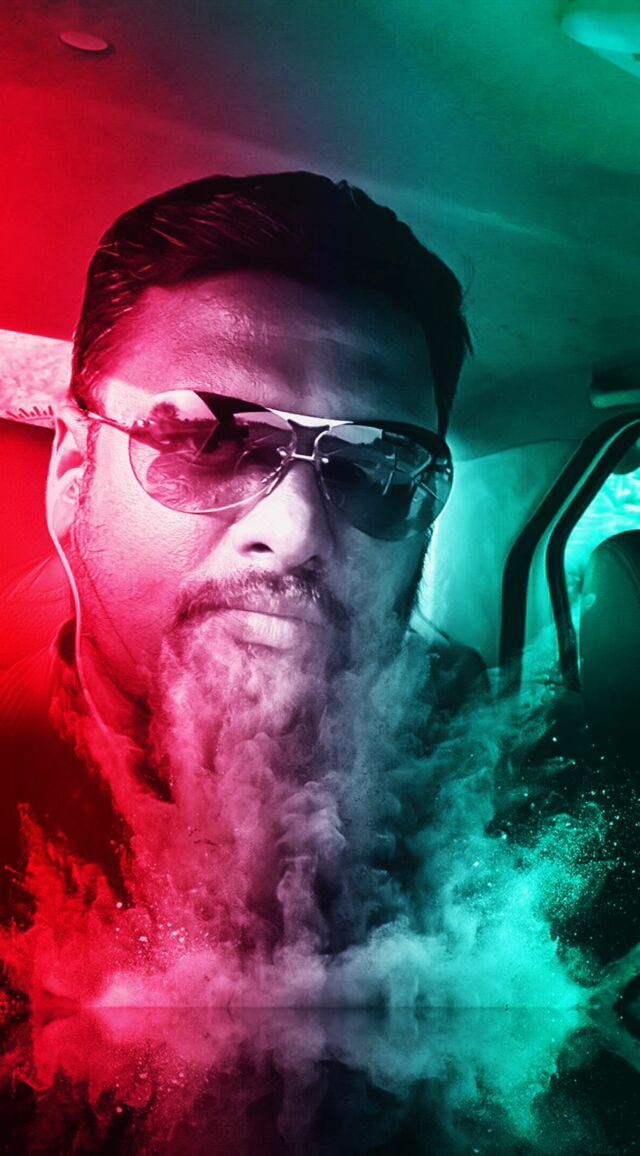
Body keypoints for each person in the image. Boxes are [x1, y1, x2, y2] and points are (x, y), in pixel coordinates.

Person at [0, 171, 482, 1004]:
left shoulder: (500, 813)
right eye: (208, 439)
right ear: (73, 475)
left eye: (376, 466)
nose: (295, 530)